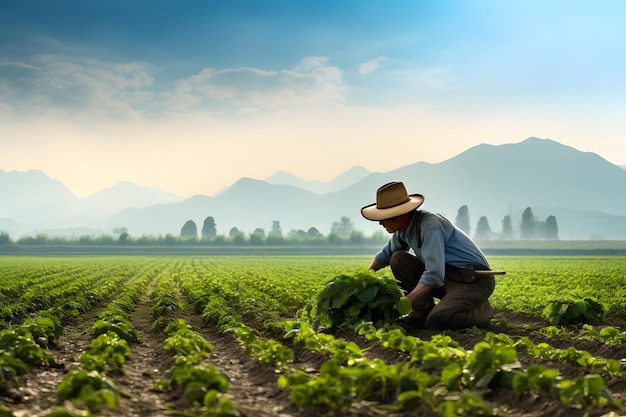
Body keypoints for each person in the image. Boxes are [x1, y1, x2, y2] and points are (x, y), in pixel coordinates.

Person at [361, 181, 495, 329]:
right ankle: (421, 312)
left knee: (438, 320)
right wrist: (364, 278)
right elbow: (386, 254)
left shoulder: (430, 226)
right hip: (446, 279)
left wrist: (406, 301)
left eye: (384, 217)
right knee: (398, 258)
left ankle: (480, 311)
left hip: (472, 280)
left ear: (399, 215)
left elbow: (434, 273)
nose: (380, 223)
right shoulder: (403, 230)